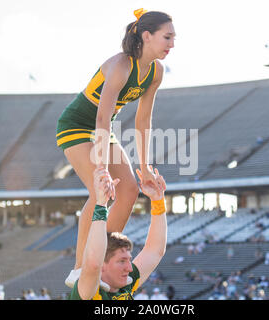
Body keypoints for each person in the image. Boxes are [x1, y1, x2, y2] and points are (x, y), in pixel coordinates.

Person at [58, 9, 175, 290]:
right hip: (78, 124)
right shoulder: (121, 65)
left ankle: (102, 260)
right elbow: (100, 117)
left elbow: (143, 119)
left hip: (102, 128)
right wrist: (100, 166)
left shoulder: (155, 72)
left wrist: (145, 167)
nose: (172, 44)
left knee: (129, 190)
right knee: (99, 190)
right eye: (167, 37)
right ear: (147, 36)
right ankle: (80, 268)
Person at [69, 166, 167, 300]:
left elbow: (155, 250)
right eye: (122, 261)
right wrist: (101, 204)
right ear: (102, 265)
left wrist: (158, 201)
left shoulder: (126, 284)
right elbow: (93, 264)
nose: (129, 268)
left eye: (128, 260)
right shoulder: (89, 291)